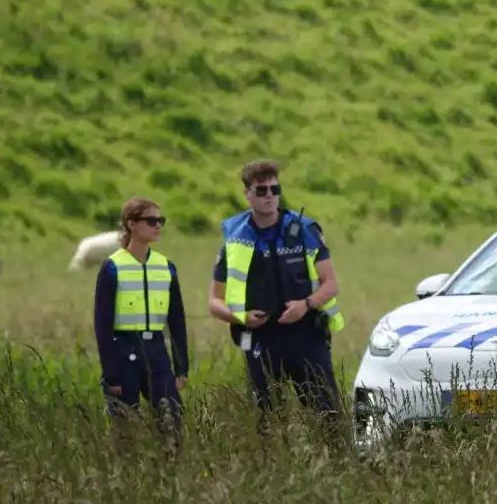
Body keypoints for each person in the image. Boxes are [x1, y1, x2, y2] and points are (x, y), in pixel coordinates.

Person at [207, 159, 347, 447]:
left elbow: (330, 284)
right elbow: (214, 302)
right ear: (247, 194)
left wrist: (305, 305)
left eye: (275, 188)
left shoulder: (303, 229)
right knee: (267, 418)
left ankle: (338, 463)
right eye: (261, 190)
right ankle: (274, 471)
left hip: (306, 334)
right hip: (261, 338)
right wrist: (242, 318)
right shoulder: (235, 239)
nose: (270, 195)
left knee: (327, 412)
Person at [94, 197, 190, 456]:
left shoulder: (166, 266)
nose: (158, 226)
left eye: (161, 221)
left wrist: (181, 367)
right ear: (131, 224)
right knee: (125, 431)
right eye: (151, 221)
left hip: (157, 351)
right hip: (123, 351)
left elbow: (177, 320)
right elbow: (102, 326)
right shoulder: (112, 267)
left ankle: (170, 476)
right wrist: (111, 374)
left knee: (173, 422)